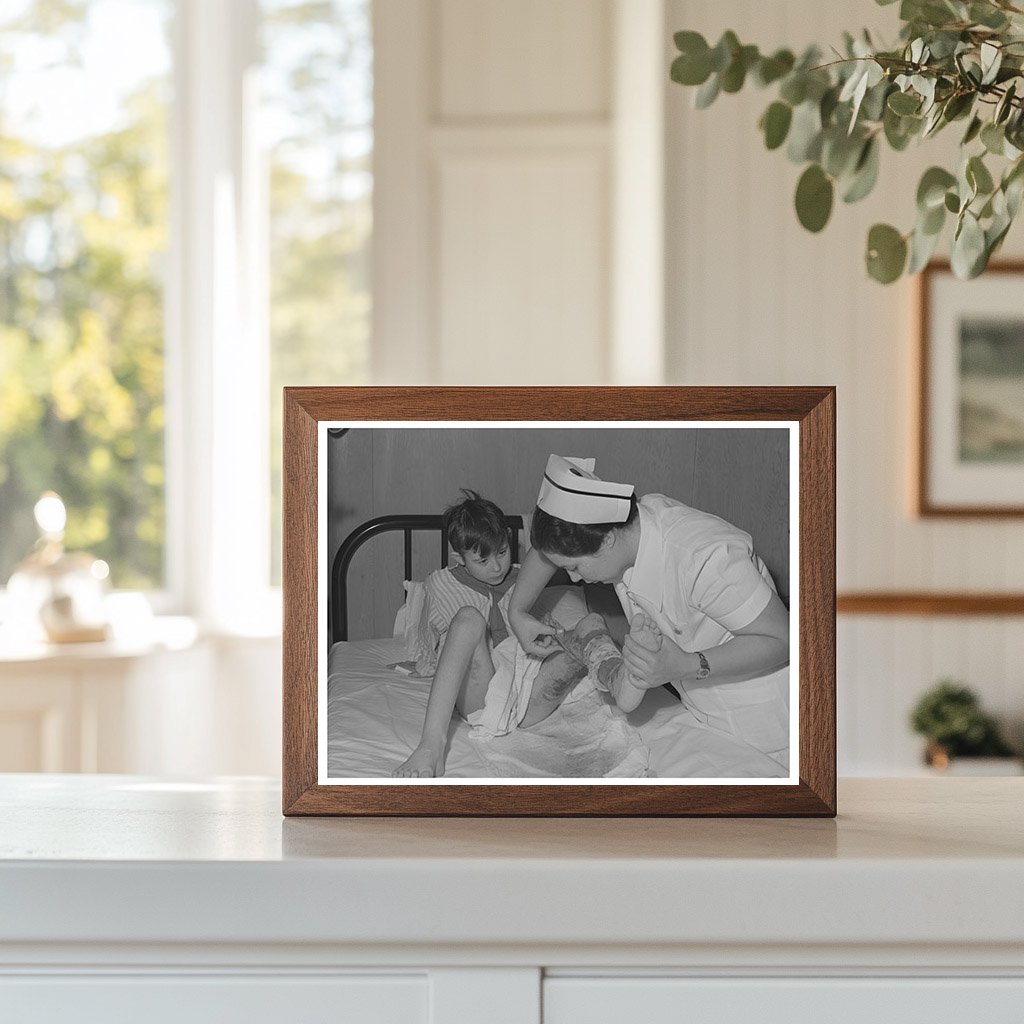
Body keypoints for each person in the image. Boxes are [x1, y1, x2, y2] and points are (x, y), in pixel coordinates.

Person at [507, 455, 791, 758]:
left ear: (605, 542)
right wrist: (517, 611)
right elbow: (546, 551)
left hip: (766, 724)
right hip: (701, 711)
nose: (575, 577)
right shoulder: (625, 526)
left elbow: (782, 640)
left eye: (575, 567)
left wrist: (688, 665)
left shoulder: (705, 558)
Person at [394, 490, 640, 778]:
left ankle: (620, 679)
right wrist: (423, 664)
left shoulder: (524, 579)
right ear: (458, 558)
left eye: (501, 551)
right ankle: (430, 746)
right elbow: (426, 643)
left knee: (591, 622)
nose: (497, 566)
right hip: (481, 695)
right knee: (468, 618)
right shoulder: (440, 584)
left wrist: (553, 640)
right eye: (482, 560)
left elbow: (541, 627)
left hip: (528, 694)